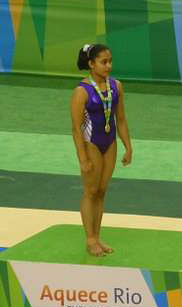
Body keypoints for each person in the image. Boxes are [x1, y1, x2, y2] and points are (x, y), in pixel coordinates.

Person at [70, 44, 133, 256]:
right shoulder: (82, 92)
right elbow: (76, 129)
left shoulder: (117, 86)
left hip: (110, 142)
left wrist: (128, 146)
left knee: (102, 191)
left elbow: (121, 119)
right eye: (103, 62)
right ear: (91, 64)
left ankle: (97, 236)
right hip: (91, 144)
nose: (109, 66)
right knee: (91, 191)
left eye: (110, 61)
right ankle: (89, 239)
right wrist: (83, 158)